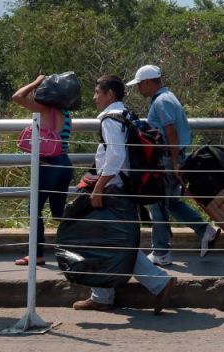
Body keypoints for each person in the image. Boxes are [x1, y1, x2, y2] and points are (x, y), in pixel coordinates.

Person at [71, 76, 175, 313]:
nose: (95, 97)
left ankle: (157, 282)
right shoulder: (125, 114)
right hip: (123, 186)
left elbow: (115, 156)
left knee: (113, 240)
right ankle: (103, 295)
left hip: (113, 189)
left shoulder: (110, 119)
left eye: (98, 92)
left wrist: (99, 187)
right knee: (108, 239)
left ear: (110, 95)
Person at [126, 65, 219, 266]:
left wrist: (175, 162)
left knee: (158, 203)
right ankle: (204, 230)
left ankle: (161, 252)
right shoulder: (167, 97)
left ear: (149, 82)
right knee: (171, 202)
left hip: (168, 158)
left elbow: (171, 133)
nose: (139, 89)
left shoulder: (161, 101)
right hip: (171, 157)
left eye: (140, 85)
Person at [11, 74, 75, 266]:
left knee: (34, 210)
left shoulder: (44, 109)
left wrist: (35, 82)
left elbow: (18, 96)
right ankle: (79, 243)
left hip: (48, 165)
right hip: (65, 164)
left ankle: (37, 254)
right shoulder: (67, 113)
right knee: (58, 213)